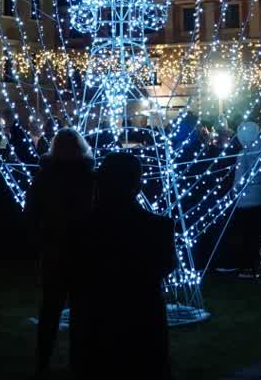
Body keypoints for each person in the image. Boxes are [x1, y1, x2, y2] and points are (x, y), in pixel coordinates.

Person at [69, 152, 177, 379]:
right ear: (137, 185)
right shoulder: (159, 227)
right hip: (143, 327)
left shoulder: (80, 228)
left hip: (94, 328)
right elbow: (166, 266)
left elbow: (71, 273)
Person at [24, 129, 94, 376]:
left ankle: (42, 360)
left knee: (50, 309)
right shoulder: (89, 177)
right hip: (83, 252)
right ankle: (80, 362)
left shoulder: (45, 177)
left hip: (54, 249)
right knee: (82, 311)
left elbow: (30, 211)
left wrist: (41, 238)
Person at [230, 121, 261, 271]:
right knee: (257, 234)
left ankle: (246, 265)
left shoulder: (243, 153)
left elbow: (239, 179)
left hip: (245, 201)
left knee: (245, 235)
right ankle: (257, 264)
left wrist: (234, 191)